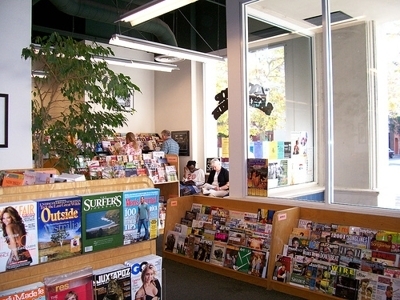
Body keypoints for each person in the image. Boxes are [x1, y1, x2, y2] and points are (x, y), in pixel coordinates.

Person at [1, 206, 32, 271]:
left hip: (16, 255)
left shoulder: (9, 227)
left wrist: (17, 258)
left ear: (12, 217)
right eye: (3, 218)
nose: (5, 220)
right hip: (24, 253)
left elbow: (13, 242)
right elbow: (22, 243)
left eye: (8, 218)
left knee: (9, 278)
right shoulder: (20, 225)